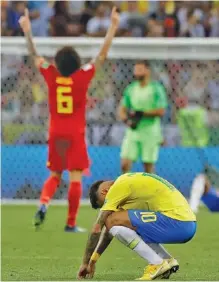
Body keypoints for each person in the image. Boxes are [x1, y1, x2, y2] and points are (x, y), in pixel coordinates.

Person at [19, 7, 120, 232]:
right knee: (75, 177)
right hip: (75, 133)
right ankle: (71, 223)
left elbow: (35, 56)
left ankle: (43, 203)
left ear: (58, 63)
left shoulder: (52, 75)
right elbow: (101, 56)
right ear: (76, 63)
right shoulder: (82, 77)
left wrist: (27, 30)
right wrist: (112, 26)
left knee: (55, 174)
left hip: (55, 132)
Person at [77, 172, 196, 280]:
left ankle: (156, 263)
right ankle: (166, 259)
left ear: (104, 191)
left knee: (110, 219)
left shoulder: (117, 188)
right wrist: (92, 261)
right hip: (187, 224)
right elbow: (110, 231)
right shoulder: (129, 184)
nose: (109, 208)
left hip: (177, 222)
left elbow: (97, 229)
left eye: (104, 204)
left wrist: (84, 263)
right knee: (125, 224)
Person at [118, 61, 167, 174]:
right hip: (133, 131)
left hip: (150, 131)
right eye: (135, 70)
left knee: (148, 167)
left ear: (147, 71)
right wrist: (126, 120)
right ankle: (127, 190)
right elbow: (122, 108)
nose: (136, 73)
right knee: (125, 164)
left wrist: (141, 113)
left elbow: (161, 110)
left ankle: (149, 191)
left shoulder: (156, 88)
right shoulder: (131, 88)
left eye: (140, 69)